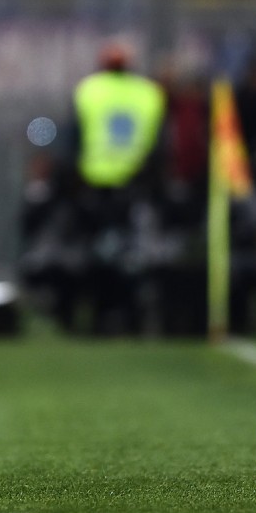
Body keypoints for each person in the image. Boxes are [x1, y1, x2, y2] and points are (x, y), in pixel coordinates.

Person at [68, 41, 167, 335]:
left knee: (98, 254)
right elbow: (159, 141)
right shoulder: (148, 92)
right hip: (136, 184)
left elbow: (76, 136)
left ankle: (99, 317)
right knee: (133, 256)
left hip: (97, 185)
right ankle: (132, 317)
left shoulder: (89, 89)